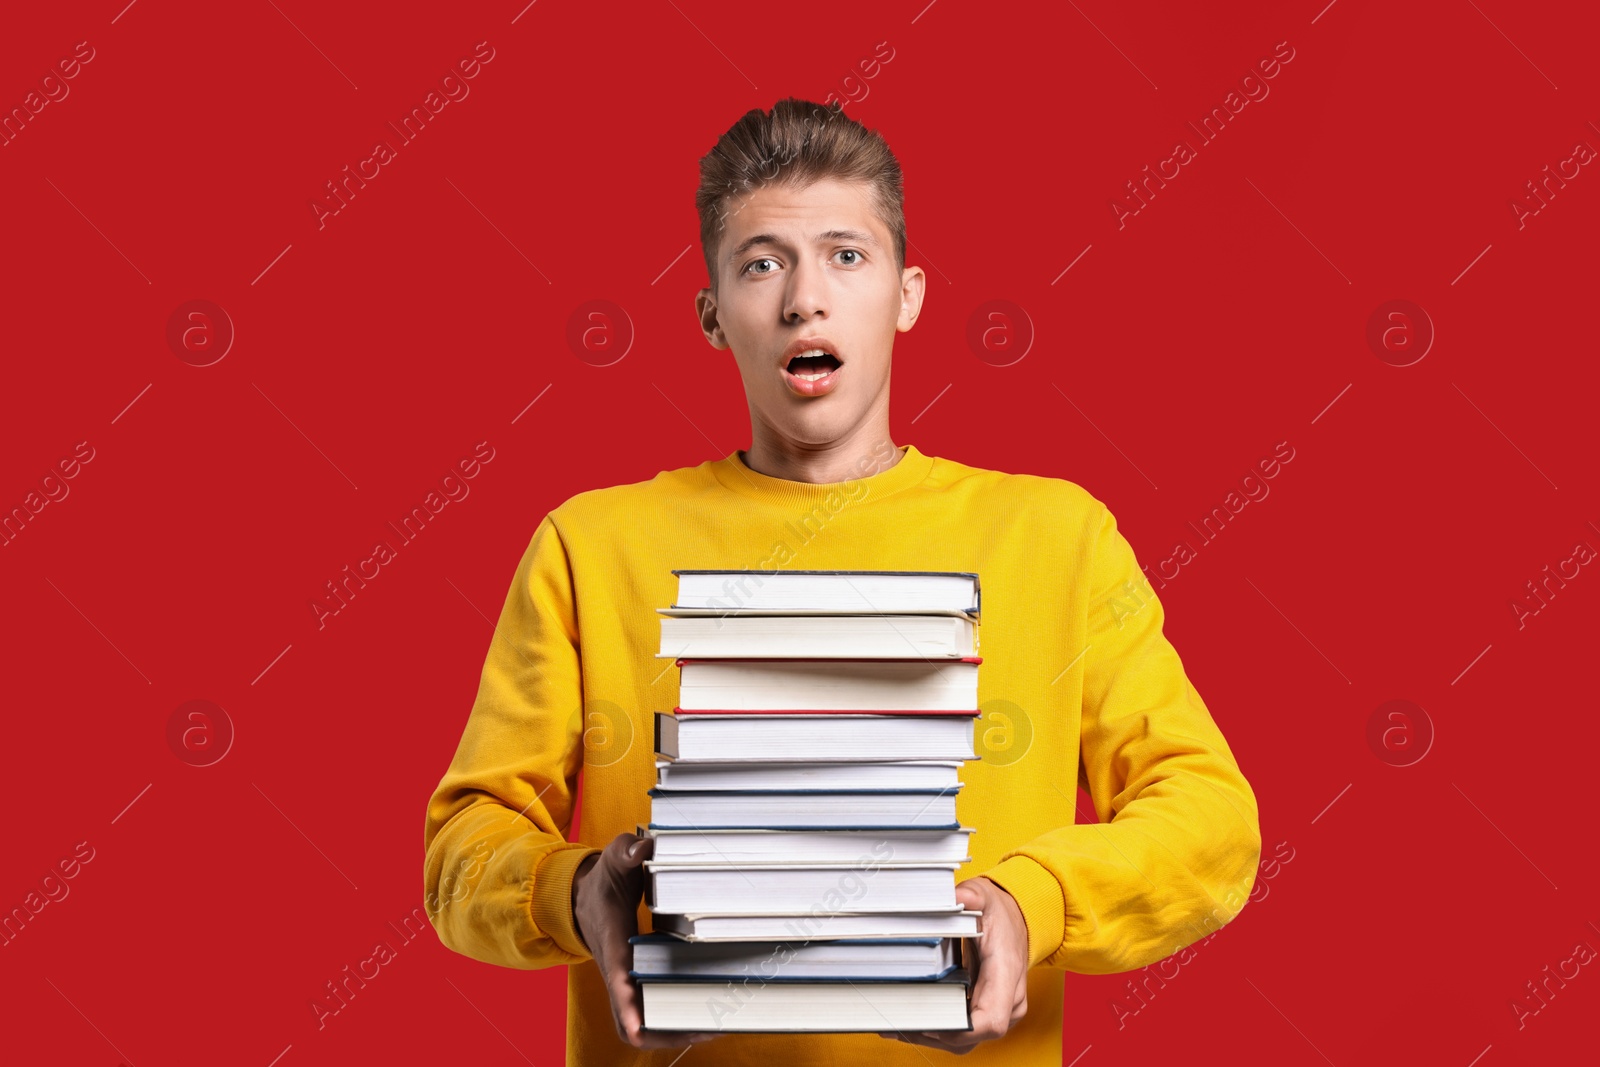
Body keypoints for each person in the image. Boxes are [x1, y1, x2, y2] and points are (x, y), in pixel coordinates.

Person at [423, 97, 1261, 1065]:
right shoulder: (590, 543)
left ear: (906, 296)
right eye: (760, 262)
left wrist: (1028, 904)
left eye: (844, 255)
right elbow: (460, 853)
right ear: (710, 315)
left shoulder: (1055, 536)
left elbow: (1211, 822)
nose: (803, 299)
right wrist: (577, 891)